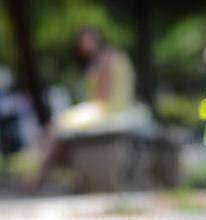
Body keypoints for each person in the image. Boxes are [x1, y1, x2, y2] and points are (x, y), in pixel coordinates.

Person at [27, 27, 149, 190]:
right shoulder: (111, 56)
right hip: (110, 107)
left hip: (107, 109)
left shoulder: (107, 58)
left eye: (84, 41)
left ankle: (41, 175)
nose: (82, 46)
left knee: (54, 128)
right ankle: (46, 175)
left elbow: (101, 95)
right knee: (57, 133)